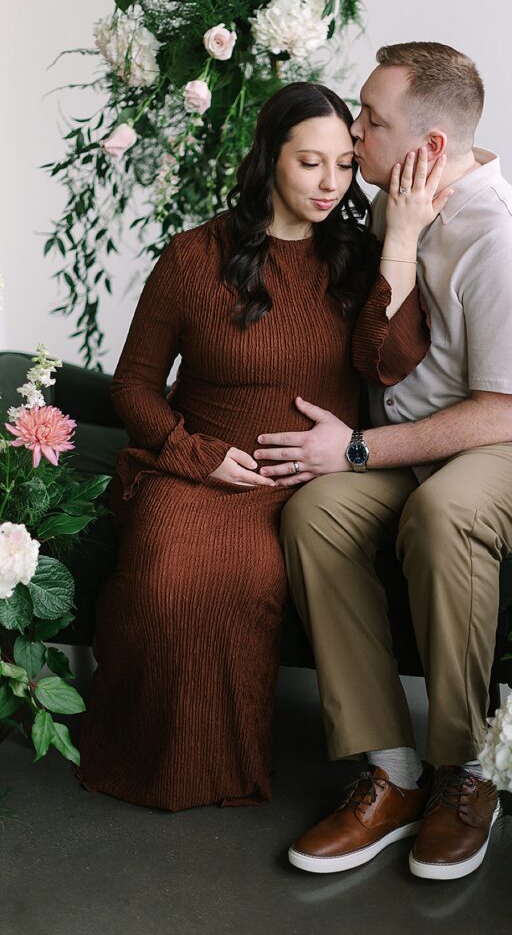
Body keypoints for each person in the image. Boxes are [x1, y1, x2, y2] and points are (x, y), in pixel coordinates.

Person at [256, 43, 512, 877]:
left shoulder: (503, 236)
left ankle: (463, 770)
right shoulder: (393, 205)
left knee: (442, 514)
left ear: (429, 146)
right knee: (314, 511)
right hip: (423, 439)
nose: (352, 130)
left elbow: (502, 410)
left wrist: (358, 446)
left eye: (370, 121)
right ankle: (390, 770)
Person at [73, 81, 445, 811]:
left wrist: (398, 240)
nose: (330, 184)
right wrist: (194, 454)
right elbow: (134, 387)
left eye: (343, 164)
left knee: (245, 581)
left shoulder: (358, 257)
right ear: (269, 156)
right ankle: (144, 760)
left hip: (312, 481)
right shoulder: (192, 257)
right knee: (165, 576)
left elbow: (392, 358)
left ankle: (226, 764)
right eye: (311, 163)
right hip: (196, 467)